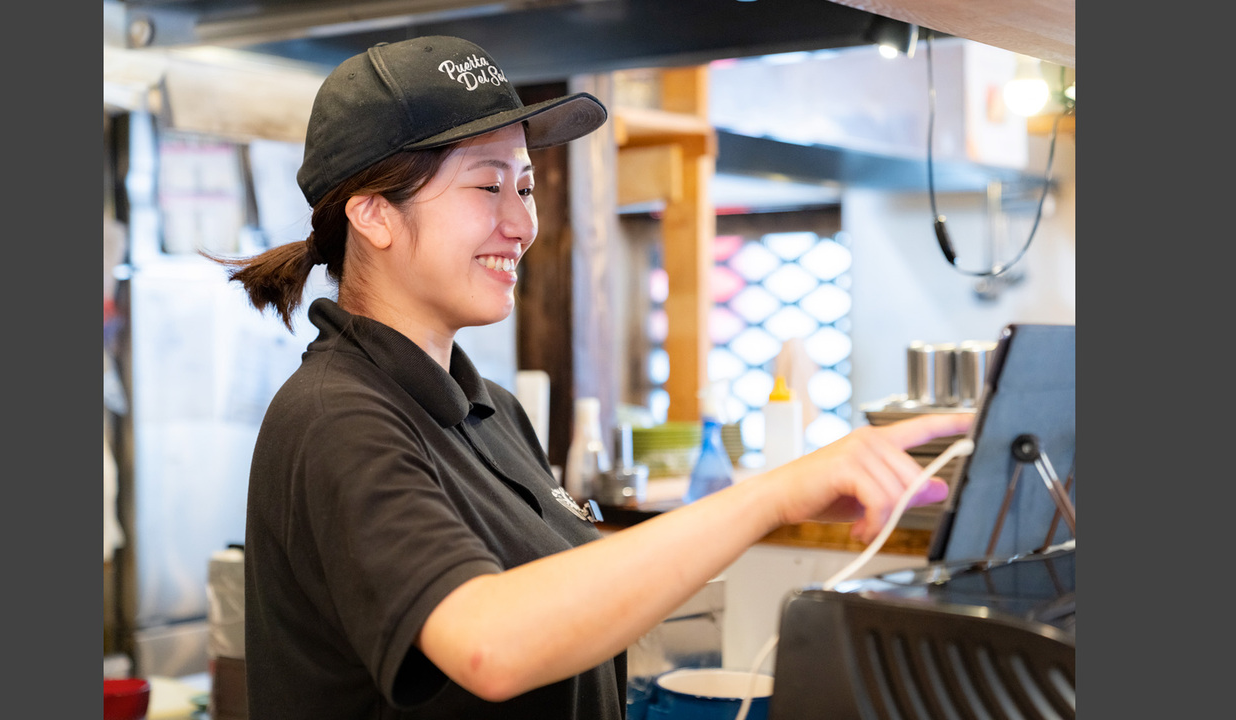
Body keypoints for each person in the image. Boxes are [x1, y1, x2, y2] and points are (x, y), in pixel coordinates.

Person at [213, 35, 974, 720]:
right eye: (487, 187)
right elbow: (490, 643)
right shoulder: (335, 417)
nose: (522, 223)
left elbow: (563, 592)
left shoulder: (492, 413)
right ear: (374, 215)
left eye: (527, 186)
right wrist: (769, 495)